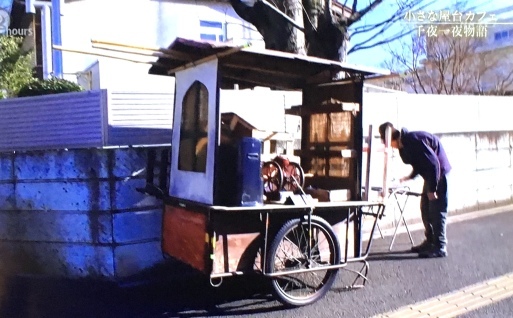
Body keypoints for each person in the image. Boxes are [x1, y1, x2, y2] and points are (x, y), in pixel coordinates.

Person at [379, 122, 452, 258]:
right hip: (431, 176)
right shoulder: (404, 146)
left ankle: (440, 246)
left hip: (439, 175)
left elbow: (434, 164)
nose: (390, 147)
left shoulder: (413, 141)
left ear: (391, 140)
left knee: (437, 210)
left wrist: (433, 189)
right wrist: (409, 177)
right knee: (425, 208)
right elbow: (419, 163)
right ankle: (430, 241)